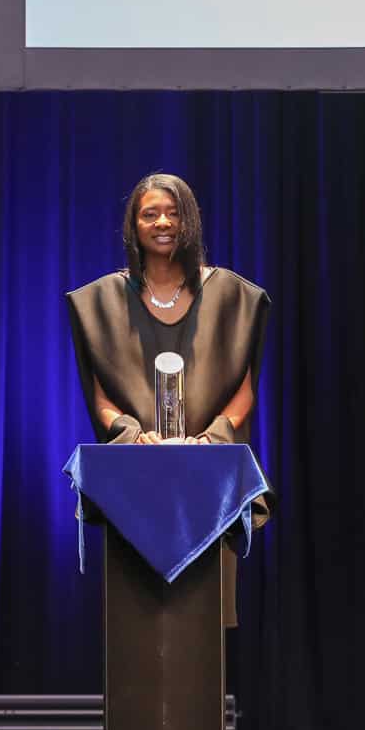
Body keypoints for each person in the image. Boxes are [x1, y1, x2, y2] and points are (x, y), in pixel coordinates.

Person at [64, 173, 270, 618]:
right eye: (150, 213)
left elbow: (245, 389)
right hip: (135, 479)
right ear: (133, 225)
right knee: (136, 616)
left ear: (190, 222)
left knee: (202, 623)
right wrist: (135, 437)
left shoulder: (232, 296)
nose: (163, 223)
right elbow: (100, 396)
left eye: (174, 213)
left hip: (208, 479)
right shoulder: (102, 300)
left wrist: (209, 440)